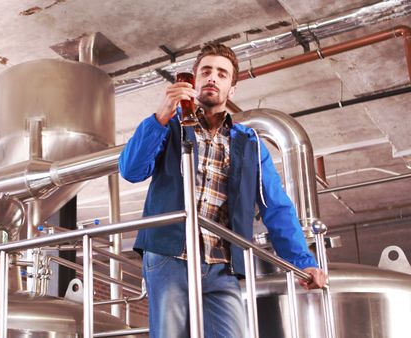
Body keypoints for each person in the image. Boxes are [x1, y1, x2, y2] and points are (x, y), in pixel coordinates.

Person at [118, 43, 328, 338]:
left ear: (232, 90)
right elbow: (131, 170)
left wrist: (303, 262)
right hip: (168, 255)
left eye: (222, 74)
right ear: (193, 81)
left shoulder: (249, 142)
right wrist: (161, 115)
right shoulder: (171, 126)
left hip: (223, 265)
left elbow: (275, 206)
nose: (213, 78)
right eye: (206, 71)